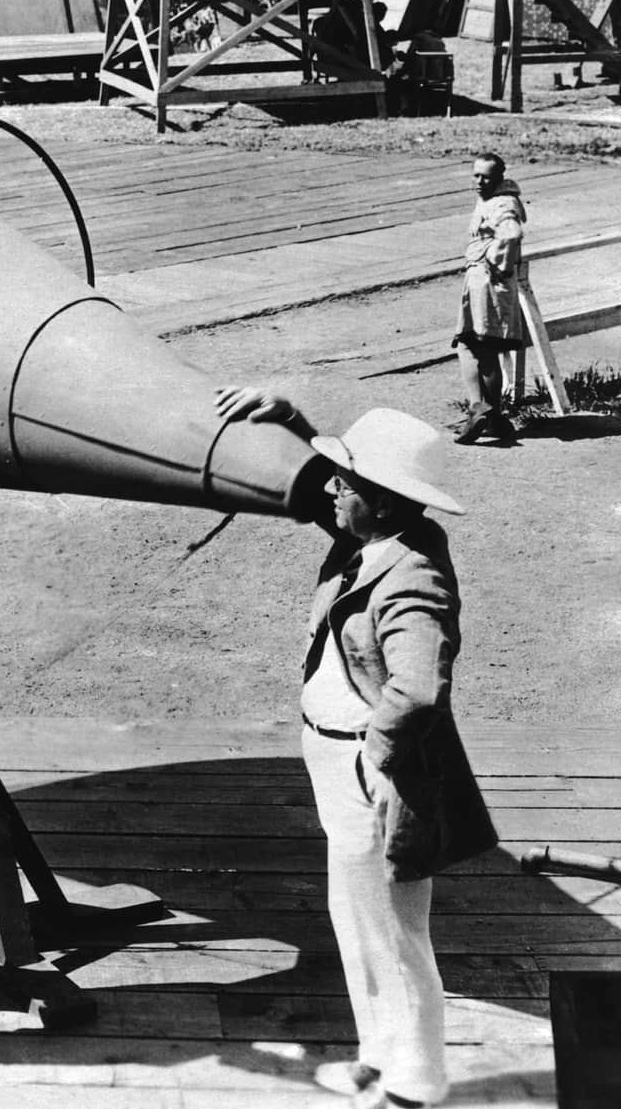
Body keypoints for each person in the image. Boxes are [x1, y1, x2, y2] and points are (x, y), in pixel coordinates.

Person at [213, 389, 496, 1109]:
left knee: (397, 931)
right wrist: (292, 418)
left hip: (374, 771)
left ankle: (418, 1078)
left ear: (386, 501)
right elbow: (318, 491)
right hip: (337, 762)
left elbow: (420, 688)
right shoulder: (375, 538)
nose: (332, 488)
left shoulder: (411, 577)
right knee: (357, 918)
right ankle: (379, 1055)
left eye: (348, 481)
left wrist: (375, 751)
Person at [452, 154, 527, 445]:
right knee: (483, 349)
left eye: (486, 177)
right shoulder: (490, 198)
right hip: (483, 280)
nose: (479, 182)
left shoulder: (501, 203)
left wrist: (496, 261)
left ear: (499, 177)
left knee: (472, 346)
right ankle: (492, 417)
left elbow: (512, 234)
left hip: (488, 281)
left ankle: (478, 407)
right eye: (476, 175)